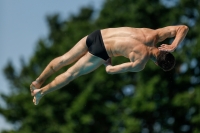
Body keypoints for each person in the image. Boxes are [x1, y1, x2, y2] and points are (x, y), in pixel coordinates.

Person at [30, 25, 189, 105]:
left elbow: (183, 28)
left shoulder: (153, 34)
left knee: (64, 59)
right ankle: (40, 92)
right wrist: (107, 62)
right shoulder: (140, 62)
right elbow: (111, 70)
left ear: (164, 47)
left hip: (97, 35)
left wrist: (174, 44)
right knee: (71, 74)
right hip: (101, 51)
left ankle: (38, 80)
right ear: (157, 64)